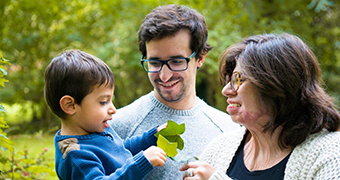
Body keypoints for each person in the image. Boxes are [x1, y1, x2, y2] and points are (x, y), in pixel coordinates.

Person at [180, 33, 340, 180]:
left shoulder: (330, 153)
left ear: (276, 86)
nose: (226, 90)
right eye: (229, 80)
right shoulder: (220, 148)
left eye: (238, 80)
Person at [110, 4, 239, 180]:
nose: (164, 76)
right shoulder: (116, 126)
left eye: (177, 62)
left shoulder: (229, 131)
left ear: (200, 58)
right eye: (155, 63)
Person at [44, 49, 167, 180]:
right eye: (103, 102)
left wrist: (153, 137)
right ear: (70, 105)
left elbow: (120, 151)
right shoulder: (76, 155)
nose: (113, 109)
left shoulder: (96, 129)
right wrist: (141, 163)